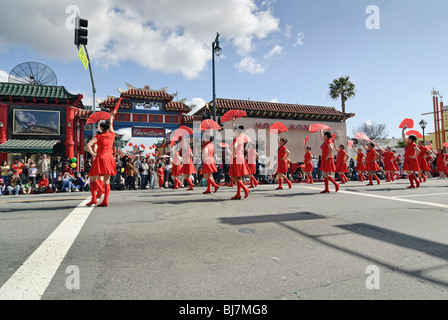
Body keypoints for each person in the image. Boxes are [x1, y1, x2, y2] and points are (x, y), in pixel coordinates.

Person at [85, 111, 117, 207]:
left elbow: (88, 146)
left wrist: (93, 154)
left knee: (92, 179)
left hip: (101, 157)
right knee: (107, 181)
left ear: (101, 128)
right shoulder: (112, 135)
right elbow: (111, 124)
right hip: (110, 158)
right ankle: (105, 201)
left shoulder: (98, 136)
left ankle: (94, 199)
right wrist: (111, 117)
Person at [228, 125, 251, 199]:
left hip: (236, 158)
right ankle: (238, 194)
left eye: (234, 130)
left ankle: (245, 189)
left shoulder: (237, 138)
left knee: (234, 177)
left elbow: (234, 146)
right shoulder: (242, 137)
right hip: (241, 157)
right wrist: (233, 122)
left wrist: (234, 155)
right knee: (239, 177)